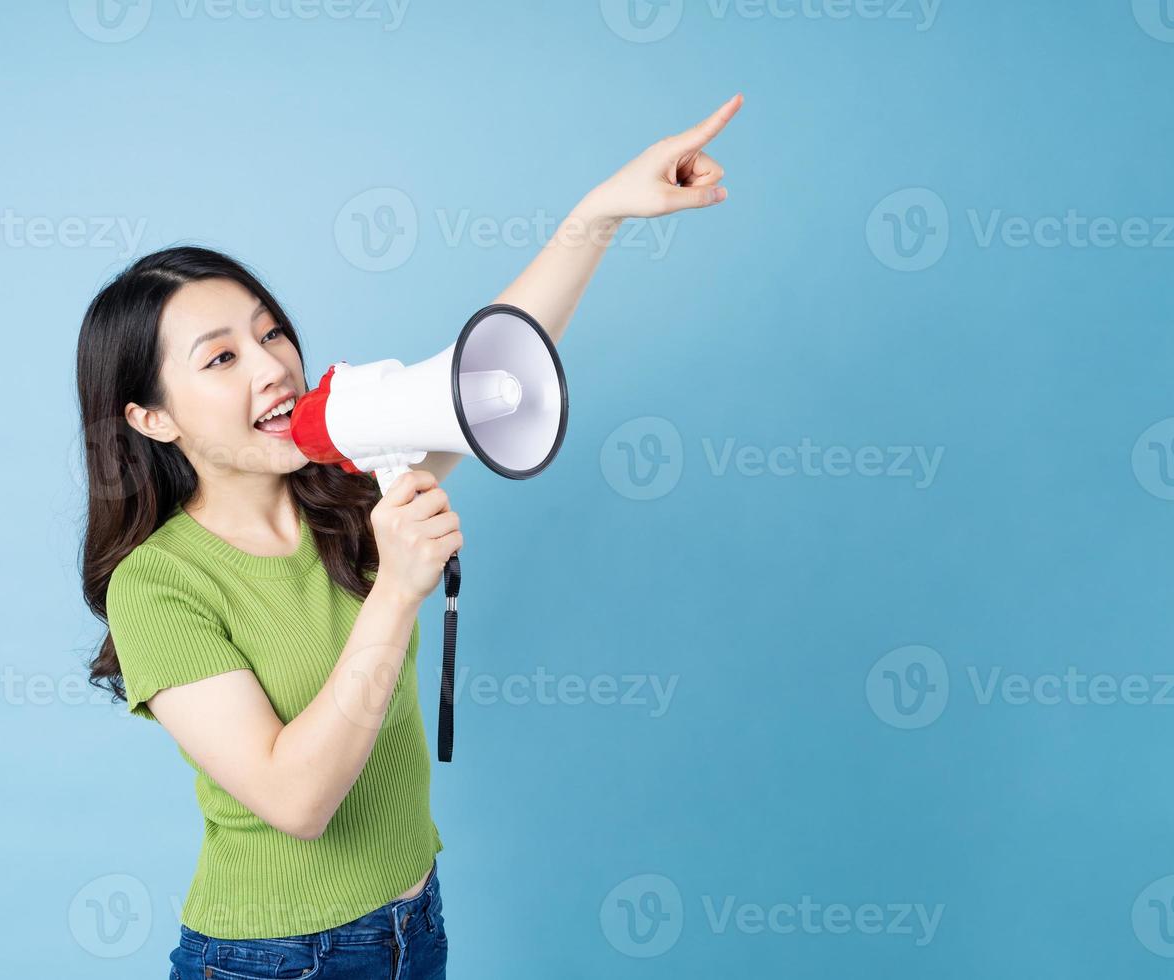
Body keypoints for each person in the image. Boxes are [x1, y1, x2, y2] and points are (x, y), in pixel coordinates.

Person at [75, 93, 742, 980]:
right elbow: (296, 798)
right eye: (222, 357)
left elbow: (494, 370)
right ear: (151, 418)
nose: (274, 364)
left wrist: (600, 213)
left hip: (412, 922)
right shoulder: (159, 586)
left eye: (270, 331)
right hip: (273, 957)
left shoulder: (341, 486)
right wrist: (396, 589)